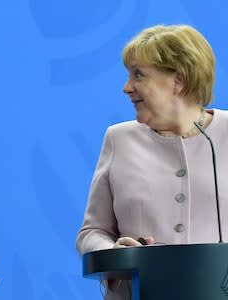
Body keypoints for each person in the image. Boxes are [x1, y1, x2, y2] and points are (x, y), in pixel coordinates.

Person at [76, 24, 227, 299]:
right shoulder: (118, 139)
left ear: (177, 81)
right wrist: (115, 253)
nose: (126, 87)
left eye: (138, 75)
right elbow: (92, 232)